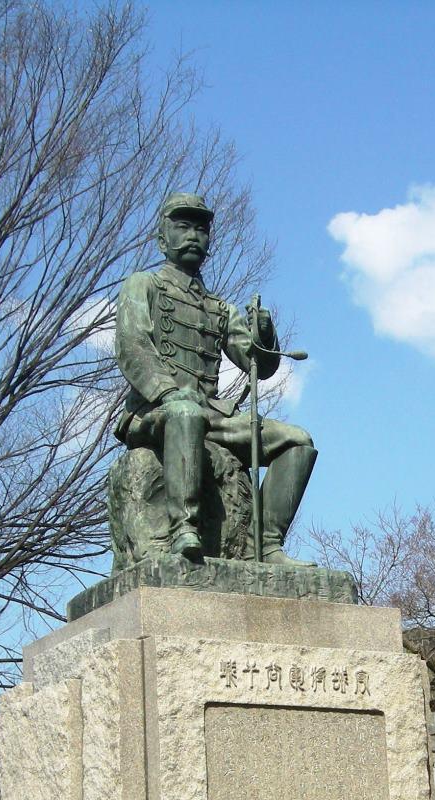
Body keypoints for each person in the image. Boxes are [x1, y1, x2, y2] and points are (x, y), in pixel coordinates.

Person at [112, 192, 315, 563]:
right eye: (182, 227)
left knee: (297, 442)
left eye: (201, 229)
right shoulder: (144, 285)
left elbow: (258, 364)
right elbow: (132, 345)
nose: (193, 235)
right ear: (162, 239)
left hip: (210, 417)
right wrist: (168, 392)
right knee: (185, 412)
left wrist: (264, 334)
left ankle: (266, 544)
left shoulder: (219, 308)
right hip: (153, 413)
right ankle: (183, 528)